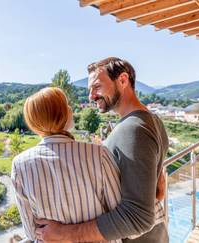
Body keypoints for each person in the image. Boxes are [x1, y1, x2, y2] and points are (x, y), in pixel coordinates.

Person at [35, 57, 169, 243]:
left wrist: (65, 234)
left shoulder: (133, 129)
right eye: (90, 89)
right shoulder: (150, 120)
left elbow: (138, 217)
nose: (91, 96)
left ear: (123, 80)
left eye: (97, 86)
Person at [11, 87, 123, 243]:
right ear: (63, 114)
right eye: (66, 105)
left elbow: (31, 232)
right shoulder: (99, 154)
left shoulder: (19, 165)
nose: (70, 109)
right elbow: (119, 215)